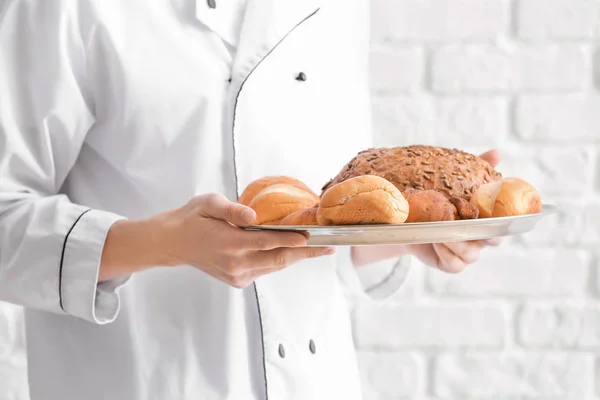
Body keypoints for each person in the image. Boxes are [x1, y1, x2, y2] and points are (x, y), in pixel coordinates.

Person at [0, 0, 501, 399]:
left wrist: (411, 234)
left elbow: (323, 208)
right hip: (145, 378)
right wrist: (166, 243)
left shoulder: (341, 6)